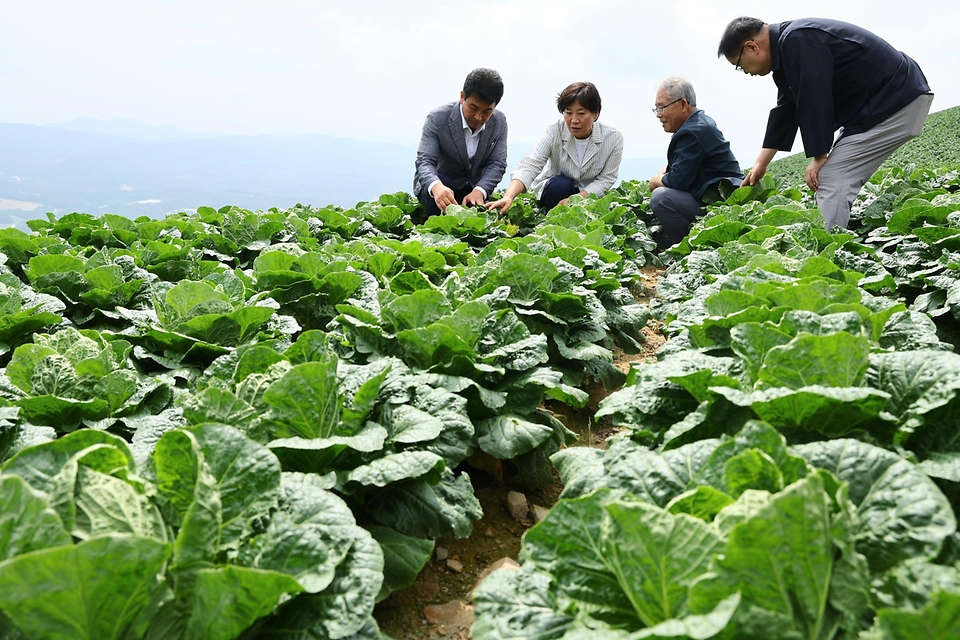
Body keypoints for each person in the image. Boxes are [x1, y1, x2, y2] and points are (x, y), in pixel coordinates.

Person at [718, 17, 933, 229]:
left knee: (830, 176)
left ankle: (827, 255)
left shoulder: (797, 40)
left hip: (896, 98)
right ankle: (835, 238)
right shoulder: (788, 47)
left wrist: (820, 154)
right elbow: (787, 109)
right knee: (836, 175)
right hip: (890, 99)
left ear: (751, 46)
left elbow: (815, 95)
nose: (744, 72)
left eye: (739, 65)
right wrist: (760, 164)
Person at [486, 82, 623, 214]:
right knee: (560, 185)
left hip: (589, 194)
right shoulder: (555, 130)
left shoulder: (613, 137)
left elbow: (607, 178)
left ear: (596, 113)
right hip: (555, 192)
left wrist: (577, 198)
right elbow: (532, 164)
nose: (574, 120)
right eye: (568, 113)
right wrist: (509, 196)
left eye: (581, 113)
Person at [648, 77, 743, 248]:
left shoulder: (693, 131)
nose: (659, 114)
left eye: (662, 107)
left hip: (719, 202)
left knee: (660, 198)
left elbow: (677, 181)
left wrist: (656, 180)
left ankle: (686, 250)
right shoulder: (698, 123)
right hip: (715, 196)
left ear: (683, 105)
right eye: (656, 108)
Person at [413, 68, 508, 220]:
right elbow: (425, 161)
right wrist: (436, 186)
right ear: (462, 97)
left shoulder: (499, 122)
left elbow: (497, 163)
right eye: (474, 108)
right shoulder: (437, 118)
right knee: (441, 185)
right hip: (441, 188)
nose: (478, 117)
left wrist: (480, 190)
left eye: (487, 111)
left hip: (472, 192)